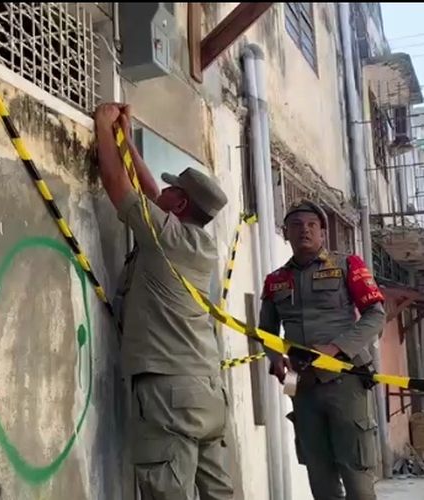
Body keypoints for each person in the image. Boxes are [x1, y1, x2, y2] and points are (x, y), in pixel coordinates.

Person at [94, 102, 233, 500]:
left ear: (181, 205)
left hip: (169, 394)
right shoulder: (196, 243)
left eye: (174, 190)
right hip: (205, 393)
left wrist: (105, 127)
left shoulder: (166, 237)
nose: (163, 190)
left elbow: (116, 184)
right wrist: (127, 135)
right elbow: (152, 190)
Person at [259, 200, 385, 500]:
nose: (304, 230)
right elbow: (266, 331)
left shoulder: (347, 265)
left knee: (356, 475)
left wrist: (336, 348)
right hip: (301, 384)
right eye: (296, 225)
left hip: (346, 380)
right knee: (318, 473)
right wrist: (275, 358)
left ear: (322, 233)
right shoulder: (275, 280)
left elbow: (376, 315)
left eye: (311, 225)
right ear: (286, 232)